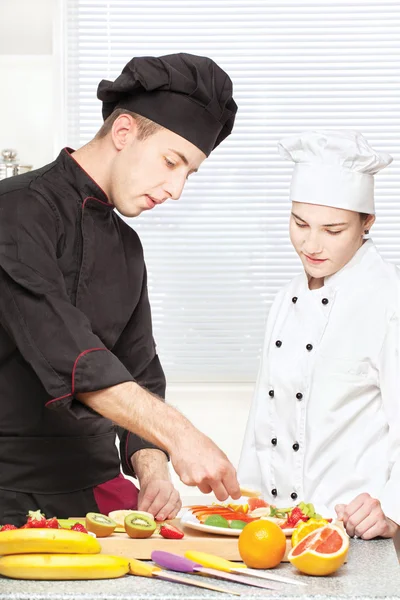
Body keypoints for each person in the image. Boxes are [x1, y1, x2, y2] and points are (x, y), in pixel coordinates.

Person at [0, 53, 241, 526]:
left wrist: (152, 469)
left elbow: (141, 369)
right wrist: (180, 435)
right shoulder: (14, 212)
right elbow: (66, 351)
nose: (176, 189)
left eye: (188, 173)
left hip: (95, 492)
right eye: (172, 162)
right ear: (124, 132)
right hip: (8, 489)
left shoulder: (128, 246)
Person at [238, 129, 400, 540]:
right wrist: (245, 504)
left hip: (350, 530)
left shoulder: (387, 299)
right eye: (300, 223)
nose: (311, 244)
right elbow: (264, 418)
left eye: (333, 230)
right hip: (274, 526)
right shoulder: (284, 299)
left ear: (367, 223)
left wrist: (392, 510)